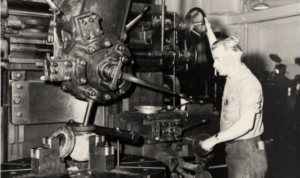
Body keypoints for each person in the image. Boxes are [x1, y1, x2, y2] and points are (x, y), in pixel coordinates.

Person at [200, 18, 268, 178]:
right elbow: (216, 50)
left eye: (217, 60)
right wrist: (208, 30)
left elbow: (245, 125)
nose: (214, 65)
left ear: (231, 58)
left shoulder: (247, 84)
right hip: (236, 148)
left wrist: (214, 139)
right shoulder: (233, 75)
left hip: (247, 152)